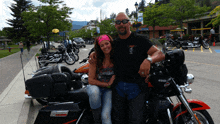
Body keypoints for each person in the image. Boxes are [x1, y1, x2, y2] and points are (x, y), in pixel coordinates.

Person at [89, 12, 165, 124]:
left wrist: (149, 60)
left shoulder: (140, 40)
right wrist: (92, 54)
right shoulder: (114, 44)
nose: (121, 24)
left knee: (136, 120)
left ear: (129, 23)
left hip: (137, 87)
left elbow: (160, 54)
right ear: (115, 25)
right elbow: (101, 50)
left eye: (124, 21)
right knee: (118, 120)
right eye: (118, 22)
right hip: (118, 87)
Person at [87, 34, 115, 124]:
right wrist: (107, 84)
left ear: (111, 43)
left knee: (106, 116)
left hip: (108, 91)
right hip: (95, 86)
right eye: (102, 45)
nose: (105, 47)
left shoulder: (116, 57)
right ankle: (97, 120)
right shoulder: (96, 58)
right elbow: (90, 80)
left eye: (107, 43)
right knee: (94, 93)